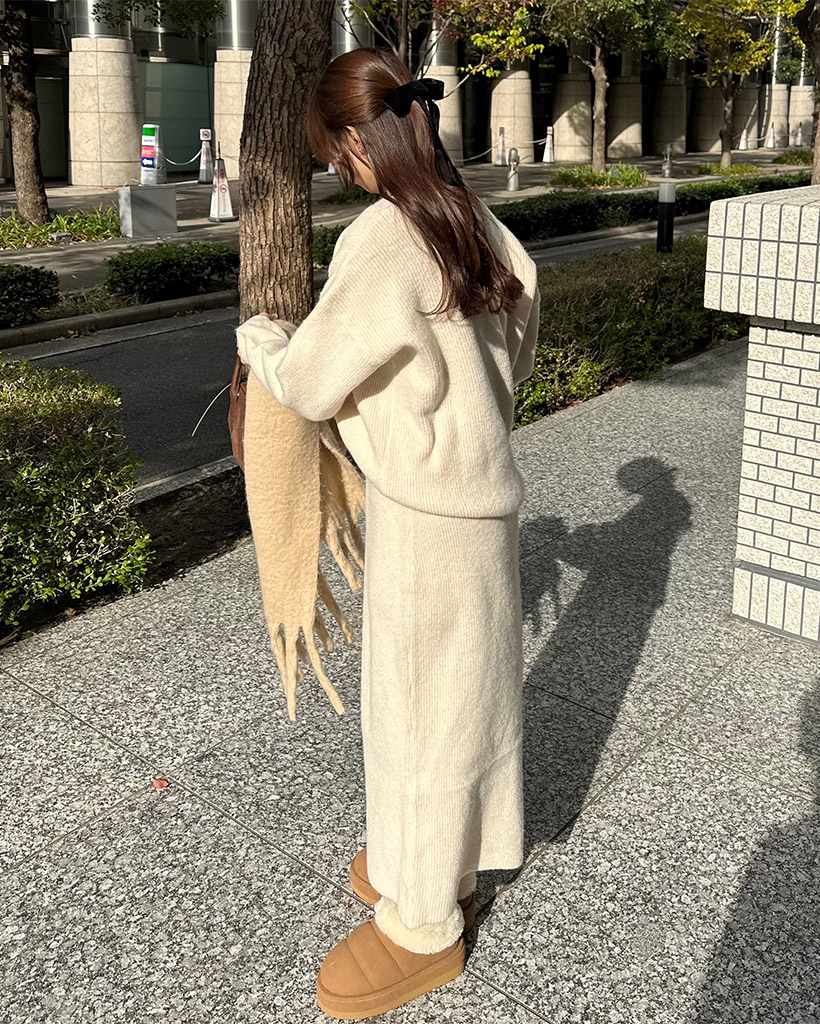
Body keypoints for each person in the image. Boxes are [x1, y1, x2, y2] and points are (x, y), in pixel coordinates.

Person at [236, 45, 541, 1021]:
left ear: (357, 138)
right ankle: (436, 863)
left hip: (421, 516)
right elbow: (519, 354)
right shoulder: (478, 220)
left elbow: (311, 381)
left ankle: (422, 925)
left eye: (336, 153)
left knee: (417, 717)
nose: (339, 169)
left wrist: (262, 341)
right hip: (485, 507)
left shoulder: (383, 237)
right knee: (461, 705)